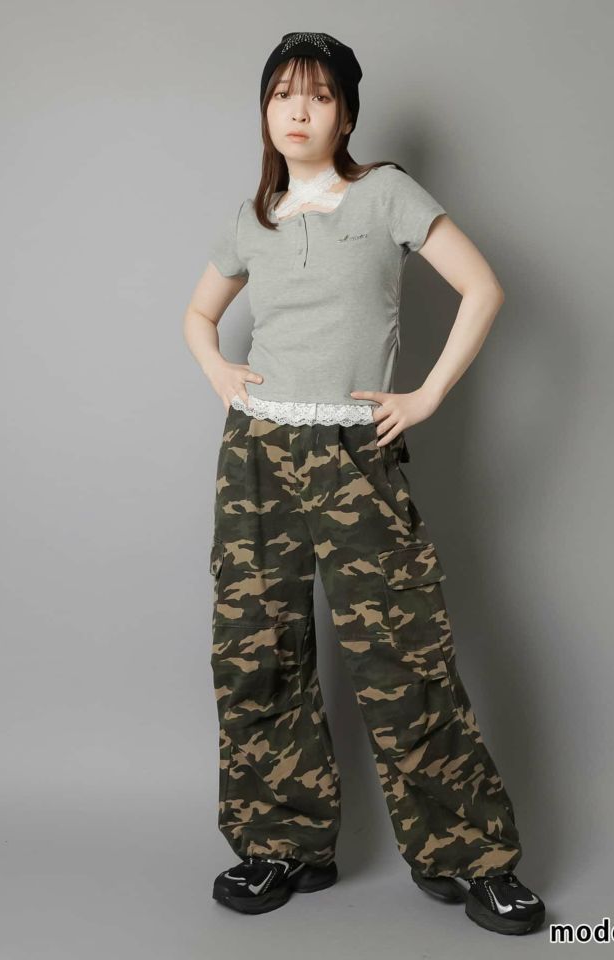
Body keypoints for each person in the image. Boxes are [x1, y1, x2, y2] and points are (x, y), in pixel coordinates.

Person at [183, 31, 546, 936]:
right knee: (255, 651)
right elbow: (198, 314)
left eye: (317, 95)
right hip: (258, 455)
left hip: (353, 453)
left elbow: (483, 289)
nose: (297, 110)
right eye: (281, 94)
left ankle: (472, 859)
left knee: (402, 656)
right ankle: (283, 843)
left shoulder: (385, 194)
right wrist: (221, 371)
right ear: (265, 111)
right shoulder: (252, 216)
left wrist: (425, 396)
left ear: (346, 113)